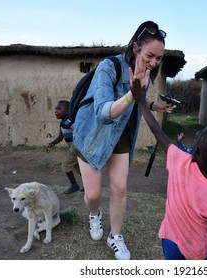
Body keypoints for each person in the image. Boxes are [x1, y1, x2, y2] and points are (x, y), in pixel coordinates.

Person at [73, 21, 175, 260]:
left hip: (121, 135)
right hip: (93, 135)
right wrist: (133, 92)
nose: (154, 63)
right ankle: (94, 213)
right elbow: (103, 112)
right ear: (135, 47)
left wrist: (152, 104)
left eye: (159, 59)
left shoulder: (145, 75)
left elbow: (140, 98)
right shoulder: (109, 67)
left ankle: (115, 236)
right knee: (94, 195)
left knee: (120, 188)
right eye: (150, 55)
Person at [130, 67, 207, 260]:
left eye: (197, 138)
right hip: (196, 252)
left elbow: (156, 130)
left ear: (196, 150)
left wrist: (141, 101)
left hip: (171, 242)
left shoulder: (180, 161)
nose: (194, 138)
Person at [46, 100, 82, 194]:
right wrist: (51, 144)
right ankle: (89, 185)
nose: (56, 111)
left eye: (59, 109)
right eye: (55, 109)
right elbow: (60, 137)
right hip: (74, 148)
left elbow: (81, 131)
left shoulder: (70, 122)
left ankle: (74, 186)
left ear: (66, 111)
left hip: (77, 148)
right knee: (78, 168)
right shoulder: (62, 123)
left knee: (66, 165)